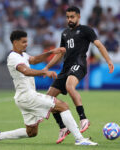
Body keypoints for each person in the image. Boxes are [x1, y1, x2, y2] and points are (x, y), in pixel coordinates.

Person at [0, 30, 98, 146]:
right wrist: (44, 72)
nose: (26, 44)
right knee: (63, 106)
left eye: (27, 41)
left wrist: (51, 52)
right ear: (15, 42)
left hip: (23, 98)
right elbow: (26, 71)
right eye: (23, 42)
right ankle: (79, 139)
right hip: (28, 96)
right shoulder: (13, 57)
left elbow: (34, 60)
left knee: (31, 132)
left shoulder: (22, 55)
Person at [43, 6, 114, 144]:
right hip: (65, 69)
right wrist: (46, 67)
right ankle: (63, 127)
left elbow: (99, 45)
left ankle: (83, 118)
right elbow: (60, 54)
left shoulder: (86, 30)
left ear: (78, 17)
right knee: (47, 100)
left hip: (79, 65)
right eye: (68, 17)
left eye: (72, 17)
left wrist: (108, 60)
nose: (69, 19)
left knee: (70, 86)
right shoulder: (64, 33)